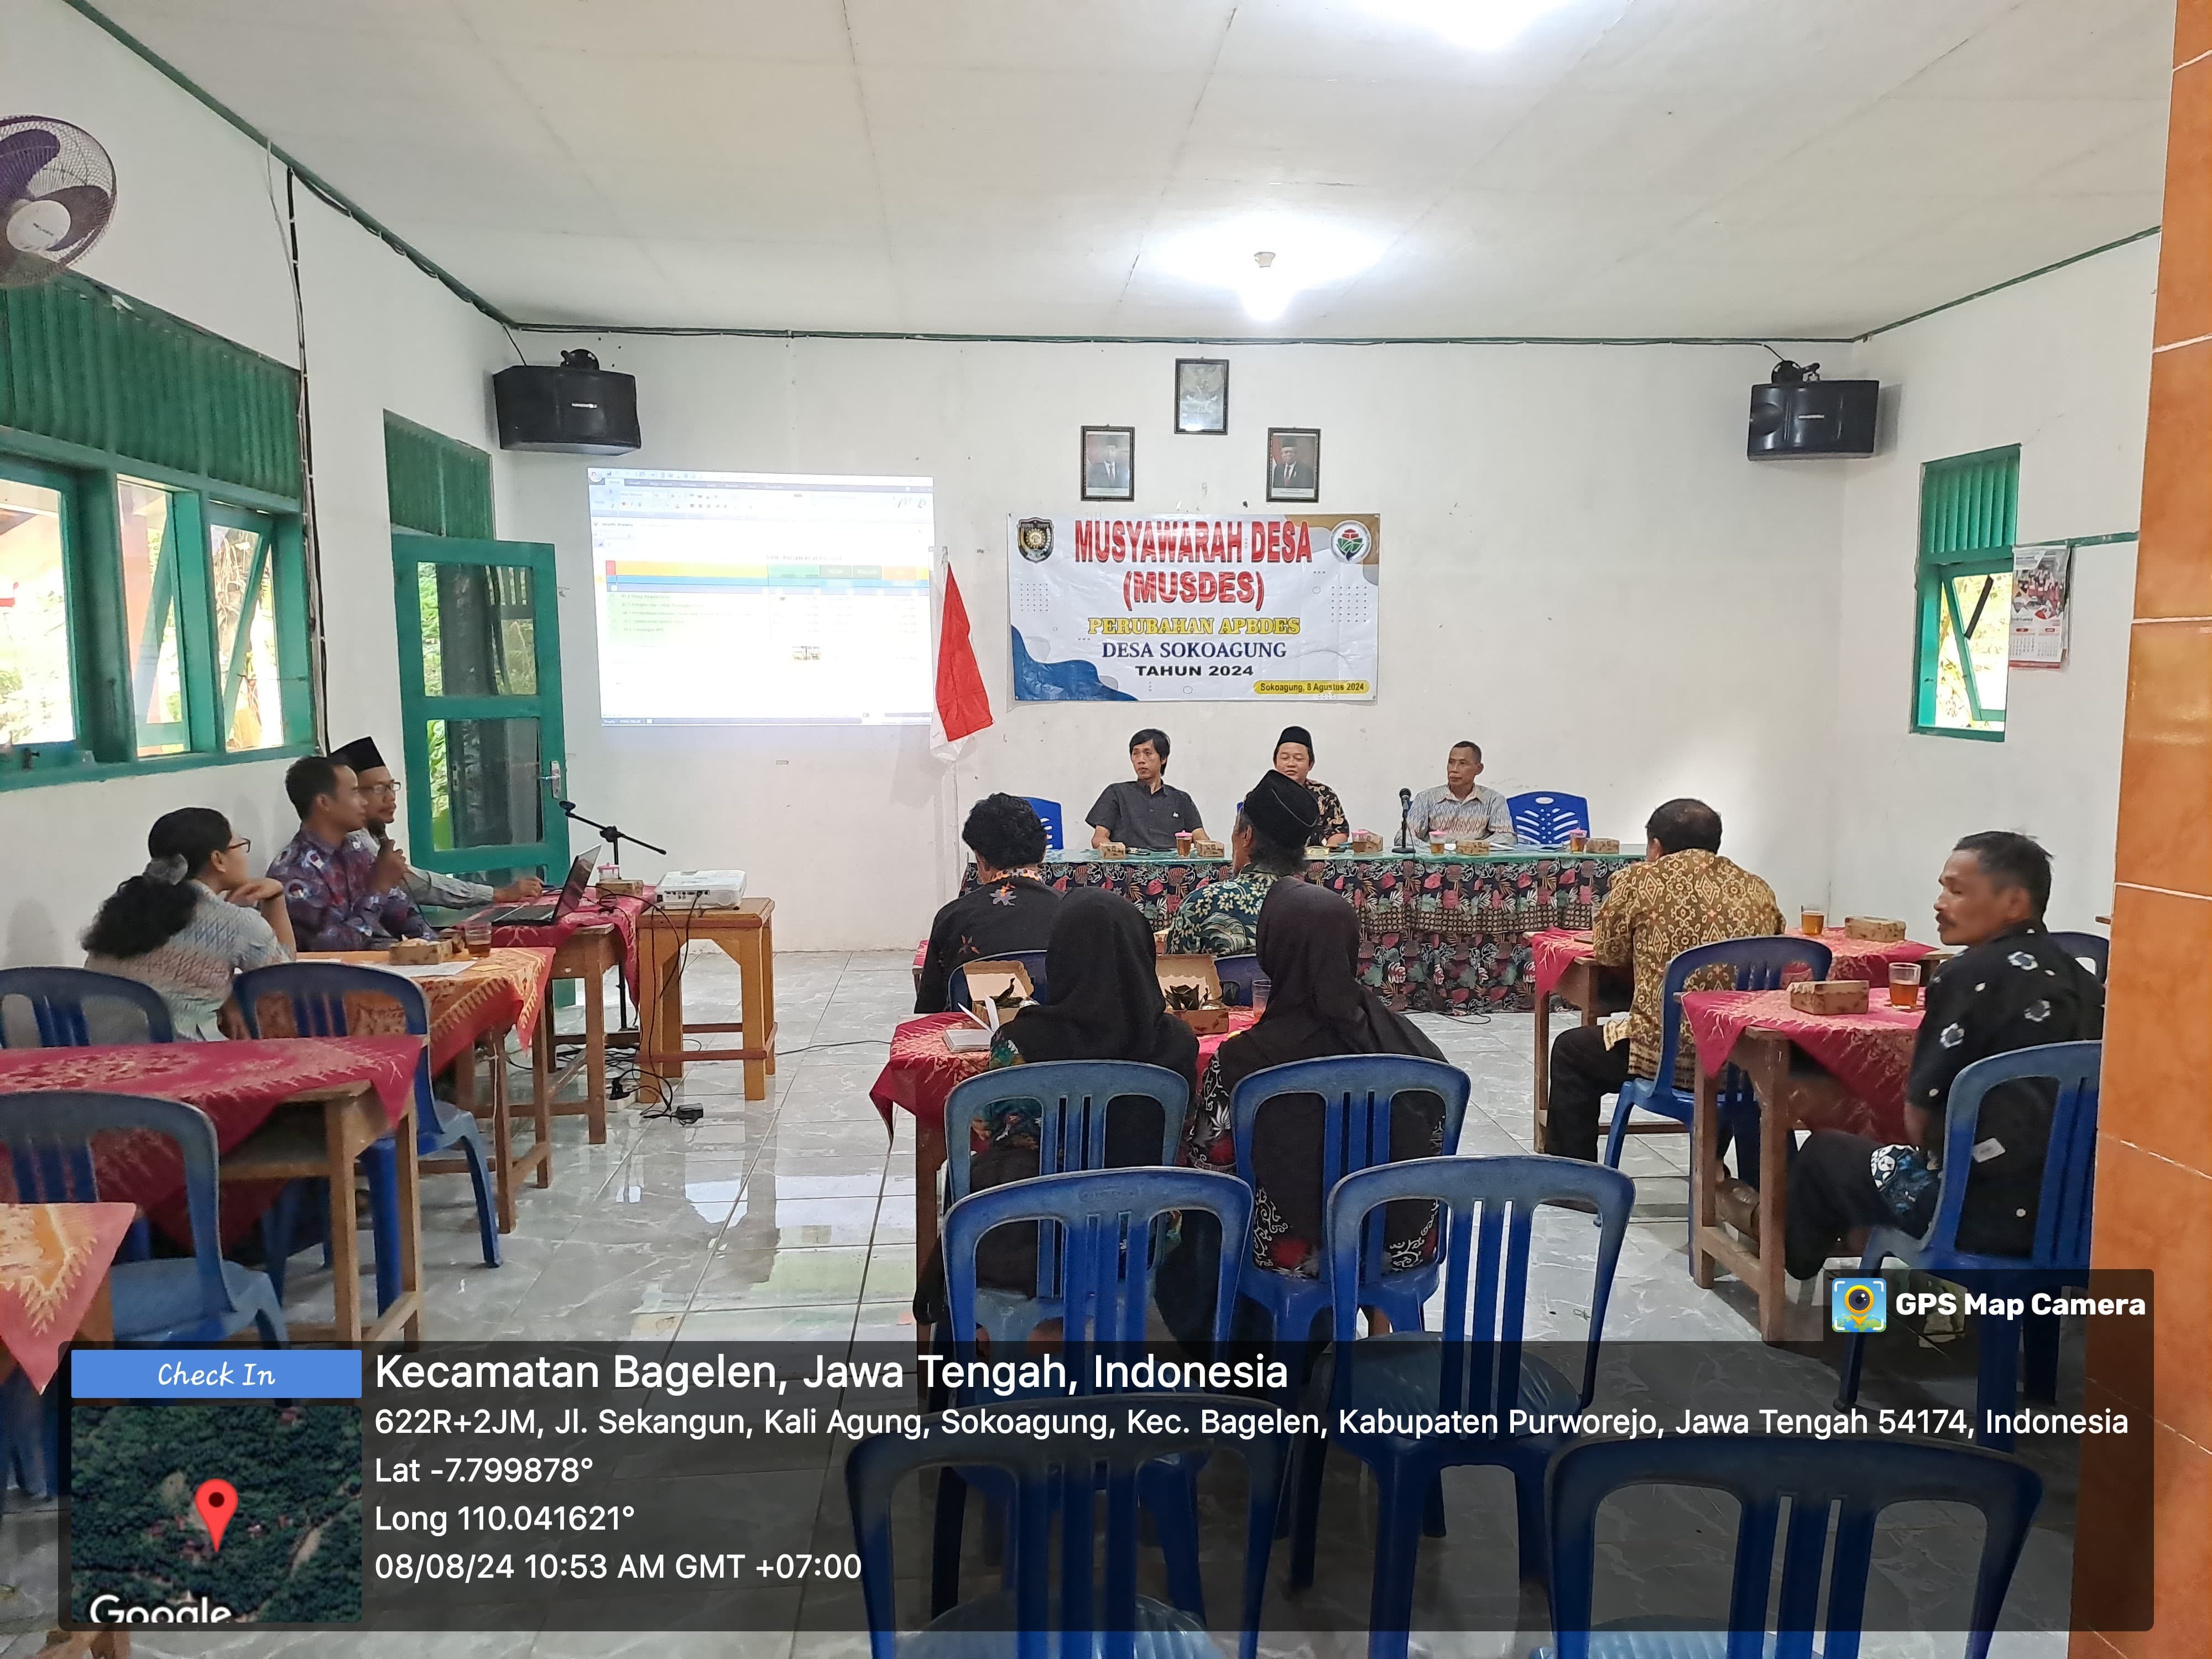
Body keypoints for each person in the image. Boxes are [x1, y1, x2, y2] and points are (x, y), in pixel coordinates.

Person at [1785, 832, 2104, 1280]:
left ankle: (1793, 1274)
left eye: (1956, 891)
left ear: (2014, 903)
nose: (1939, 903)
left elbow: (1918, 1120)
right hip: (2078, 1218)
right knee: (1869, 1173)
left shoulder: (1967, 976)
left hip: (1971, 1214)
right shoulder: (2083, 981)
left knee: (1827, 1154)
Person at [912, 890, 1198, 1326]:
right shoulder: (1178, 1043)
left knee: (969, 1173)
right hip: (1135, 1239)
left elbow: (992, 1133)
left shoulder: (1021, 1042)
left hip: (1032, 1238)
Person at [1181, 880, 1448, 1281]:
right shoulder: (1408, 1042)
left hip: (1292, 1253)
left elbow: (1211, 1165)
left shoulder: (1243, 1060)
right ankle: (1381, 1320)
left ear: (1274, 948)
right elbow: (1439, 1135)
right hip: (1404, 1242)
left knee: (1209, 1216)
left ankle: (1235, 1325)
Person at [1544, 797, 1782, 1162]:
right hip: (1737, 1061)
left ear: (1655, 846)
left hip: (1667, 1060)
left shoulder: (1638, 881)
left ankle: (1574, 1181)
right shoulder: (1758, 889)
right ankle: (1712, 1166)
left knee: (1571, 1051)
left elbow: (1608, 953)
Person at [81, 808, 296, 1041]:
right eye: (239, 846)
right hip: (180, 1059)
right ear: (218, 860)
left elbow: (162, 980)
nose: (245, 855)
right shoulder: (238, 923)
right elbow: (285, 981)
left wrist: (226, 996)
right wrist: (276, 898)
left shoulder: (125, 909)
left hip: (101, 1054)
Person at [330, 736, 542, 910]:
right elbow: (417, 884)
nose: (391, 797)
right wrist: (499, 894)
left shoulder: (373, 834)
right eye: (378, 789)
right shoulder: (355, 840)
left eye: (392, 786)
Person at [914, 793, 1062, 1015]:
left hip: (977, 1044)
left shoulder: (953, 918)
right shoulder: (1075, 913)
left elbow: (929, 1014)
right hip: (1060, 1045)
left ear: (981, 860)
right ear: (1043, 854)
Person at [268, 755, 434, 952]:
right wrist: (379, 888)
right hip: (335, 979)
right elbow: (334, 950)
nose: (364, 802)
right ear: (324, 802)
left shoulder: (356, 849)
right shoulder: (294, 871)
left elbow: (400, 912)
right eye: (355, 792)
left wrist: (434, 945)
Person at [1162, 769, 1314, 956]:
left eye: (1236, 829)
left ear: (1247, 836)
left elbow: (1175, 980)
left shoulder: (1202, 904)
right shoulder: (1316, 911)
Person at [1088, 728, 1206, 852]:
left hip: (1172, 868)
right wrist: (1120, 852)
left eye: (1148, 753)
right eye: (1136, 754)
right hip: (1128, 866)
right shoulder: (1116, 793)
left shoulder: (1181, 799)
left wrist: (1209, 849)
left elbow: (1200, 837)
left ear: (1163, 758)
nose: (1140, 760)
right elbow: (1099, 838)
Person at [1408, 740, 1516, 844]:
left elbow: (1507, 837)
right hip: (1437, 859)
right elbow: (1405, 837)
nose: (1454, 769)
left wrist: (1470, 848)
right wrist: (1432, 848)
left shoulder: (1493, 799)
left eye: (1463, 764)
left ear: (1479, 769)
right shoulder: (1426, 798)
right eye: (1451, 763)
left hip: (1477, 859)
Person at [1270, 727, 1347, 848]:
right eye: (1285, 758)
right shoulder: (1261, 795)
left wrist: (1330, 848)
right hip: (1270, 862)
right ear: (1275, 762)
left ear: (1310, 764)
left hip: (1314, 861)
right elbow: (1244, 835)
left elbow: (1338, 830)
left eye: (1299, 759)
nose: (1291, 764)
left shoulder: (1324, 795)